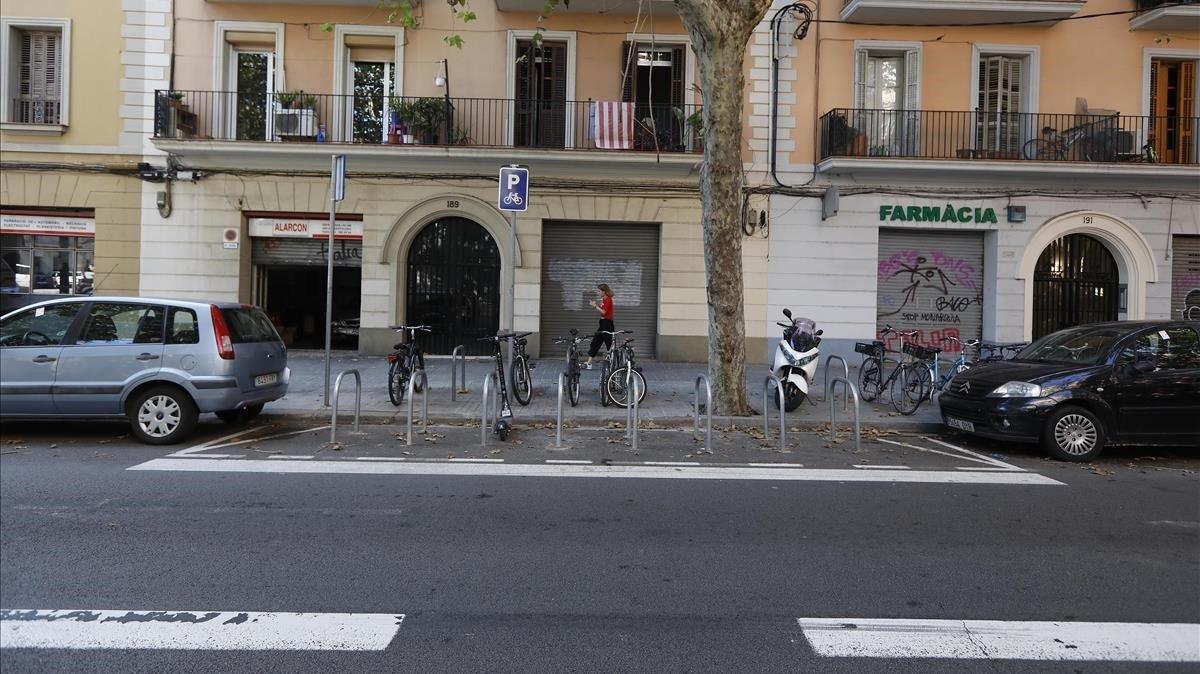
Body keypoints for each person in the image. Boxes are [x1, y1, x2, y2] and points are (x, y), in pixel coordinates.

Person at [583, 283, 614, 369]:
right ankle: (589, 363)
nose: (598, 292)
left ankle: (613, 363)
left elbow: (604, 312)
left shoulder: (608, 299)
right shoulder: (604, 299)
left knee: (610, 344)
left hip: (607, 324)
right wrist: (596, 305)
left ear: (604, 291)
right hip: (603, 323)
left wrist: (595, 306)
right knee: (596, 342)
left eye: (599, 291)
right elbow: (602, 310)